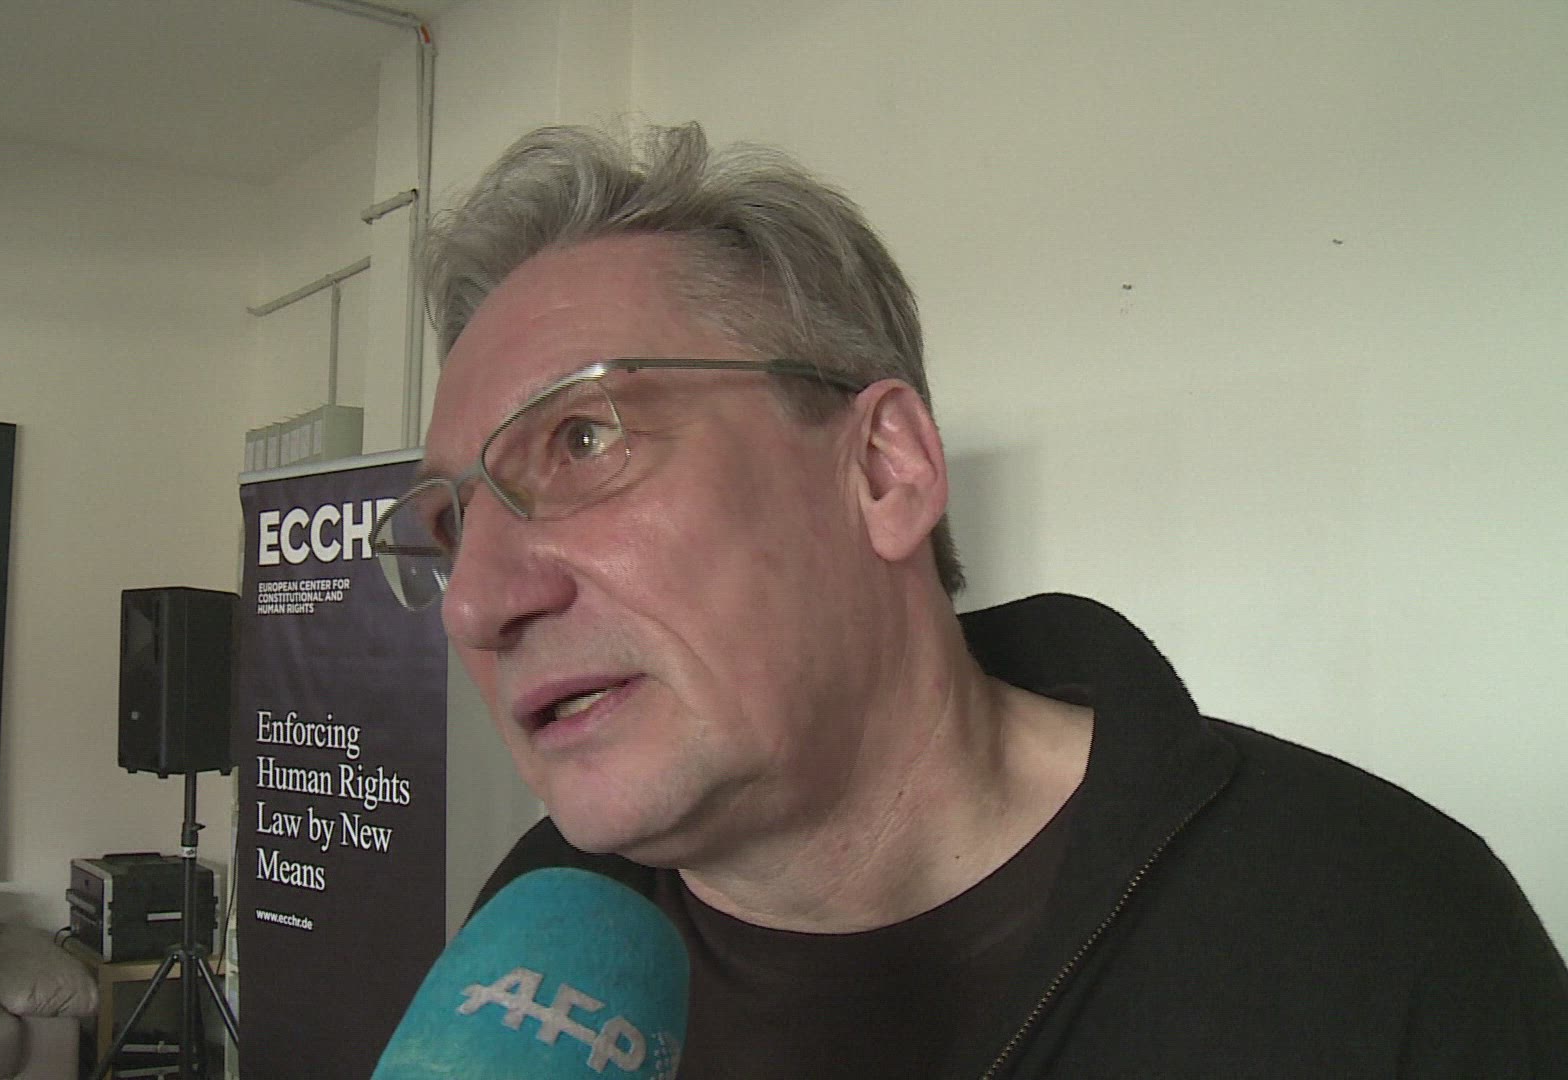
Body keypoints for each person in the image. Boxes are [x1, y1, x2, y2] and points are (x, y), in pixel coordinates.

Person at [369, 123, 1568, 1077]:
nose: (474, 606)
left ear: (884, 470)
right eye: (451, 526)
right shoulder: (531, 941)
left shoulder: (1387, 929)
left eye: (583, 439)